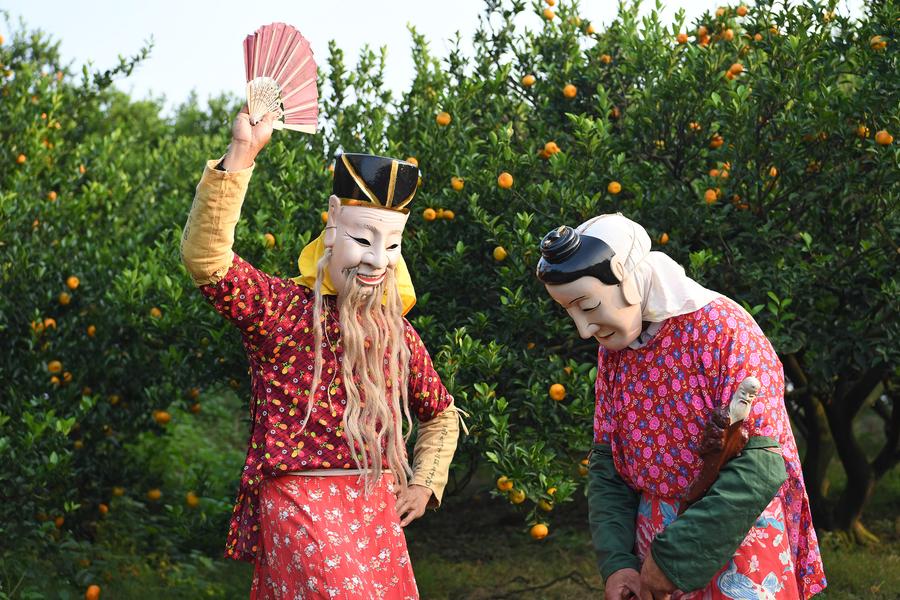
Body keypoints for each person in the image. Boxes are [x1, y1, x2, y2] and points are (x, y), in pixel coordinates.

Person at [180, 108, 461, 599]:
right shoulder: (280, 312)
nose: (377, 259)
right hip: (296, 497)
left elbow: (441, 413)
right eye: (362, 239)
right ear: (332, 223)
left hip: (372, 504)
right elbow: (208, 262)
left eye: (391, 244)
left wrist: (424, 483)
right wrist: (241, 154)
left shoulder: (397, 334)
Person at [535, 214, 826, 599]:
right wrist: (618, 561)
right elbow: (608, 460)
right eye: (569, 312)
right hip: (652, 547)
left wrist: (675, 558)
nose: (584, 330)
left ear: (628, 279)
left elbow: (760, 465)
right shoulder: (616, 352)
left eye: (588, 306)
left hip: (734, 541)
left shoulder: (725, 331)